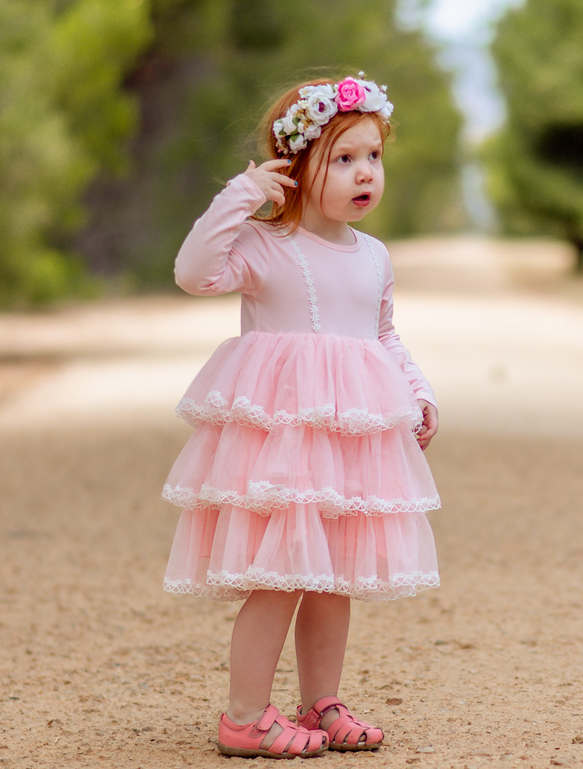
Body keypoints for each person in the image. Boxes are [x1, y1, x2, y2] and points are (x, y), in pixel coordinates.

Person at [162, 73, 441, 759]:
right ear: (296, 164)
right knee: (280, 575)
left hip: (349, 440)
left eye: (373, 156)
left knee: (332, 575)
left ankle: (321, 700)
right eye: (342, 158)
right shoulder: (264, 246)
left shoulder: (374, 256)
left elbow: (383, 334)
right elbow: (194, 271)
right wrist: (244, 194)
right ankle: (244, 715)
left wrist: (417, 390)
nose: (364, 172)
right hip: (285, 445)